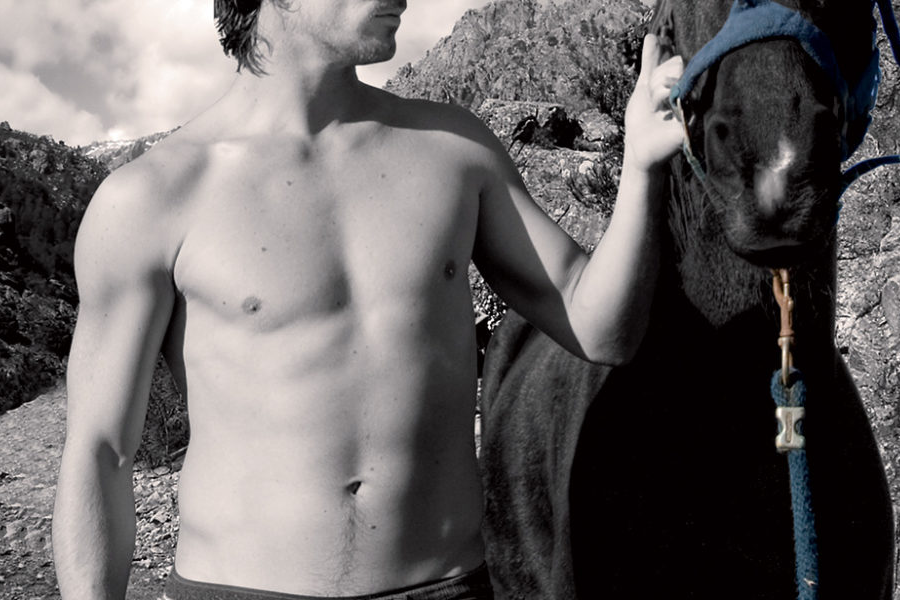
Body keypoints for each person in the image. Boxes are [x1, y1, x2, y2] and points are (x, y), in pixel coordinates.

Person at [52, 1, 684, 598]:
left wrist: (640, 165)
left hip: (447, 588)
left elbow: (601, 328)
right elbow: (100, 453)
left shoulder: (455, 150)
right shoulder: (150, 198)